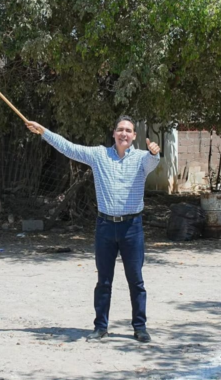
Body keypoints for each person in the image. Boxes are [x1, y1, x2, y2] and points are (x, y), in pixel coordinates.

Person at [26, 116, 160, 342]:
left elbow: (152, 161)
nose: (124, 134)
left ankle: (140, 327)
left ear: (134, 136)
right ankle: (100, 327)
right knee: (103, 280)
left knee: (135, 280)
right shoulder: (99, 155)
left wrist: (155, 152)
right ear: (114, 133)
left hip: (132, 228)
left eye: (128, 131)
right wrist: (44, 132)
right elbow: (69, 148)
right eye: (120, 130)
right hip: (105, 226)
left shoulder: (141, 158)